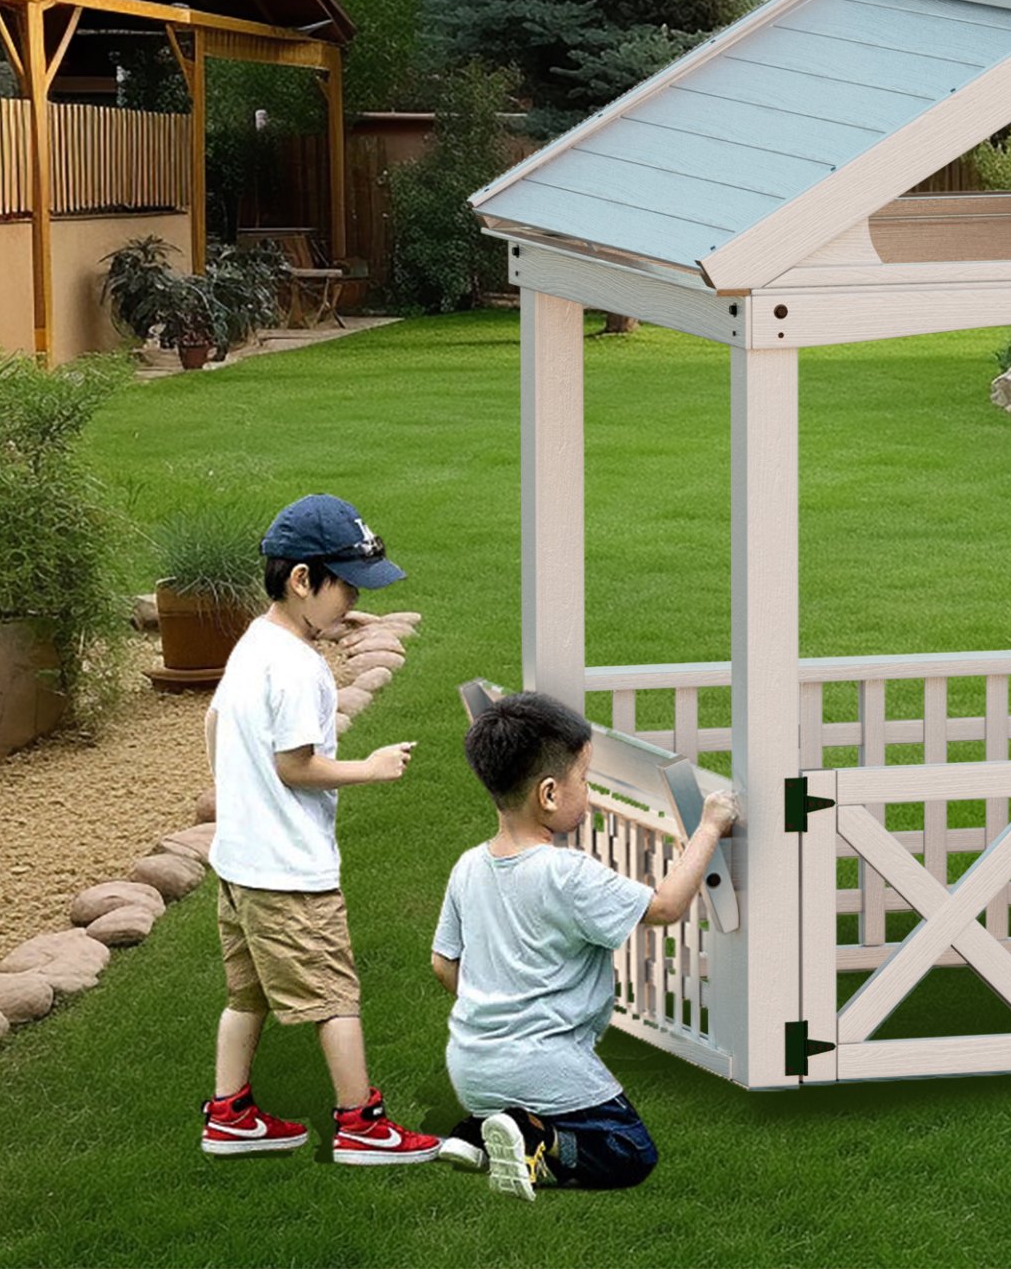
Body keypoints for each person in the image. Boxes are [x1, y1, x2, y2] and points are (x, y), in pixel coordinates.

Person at [200, 493, 440, 1165]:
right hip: (289, 872)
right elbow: (297, 765)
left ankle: (229, 1114)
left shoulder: (258, 641)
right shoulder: (301, 669)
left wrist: (235, 790)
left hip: (240, 862)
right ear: (303, 579)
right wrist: (371, 767)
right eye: (347, 587)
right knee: (335, 994)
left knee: (245, 994)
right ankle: (362, 1126)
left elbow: (216, 725)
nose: (353, 601)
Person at [431, 691, 739, 1200]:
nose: (590, 792)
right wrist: (709, 826)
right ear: (549, 794)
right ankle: (538, 1139)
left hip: (470, 1063)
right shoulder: (564, 873)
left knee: (516, 1098)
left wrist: (493, 1005)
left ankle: (479, 1133)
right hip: (545, 1065)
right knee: (629, 1151)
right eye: (585, 780)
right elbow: (664, 907)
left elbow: (443, 964)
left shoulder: (468, 866)